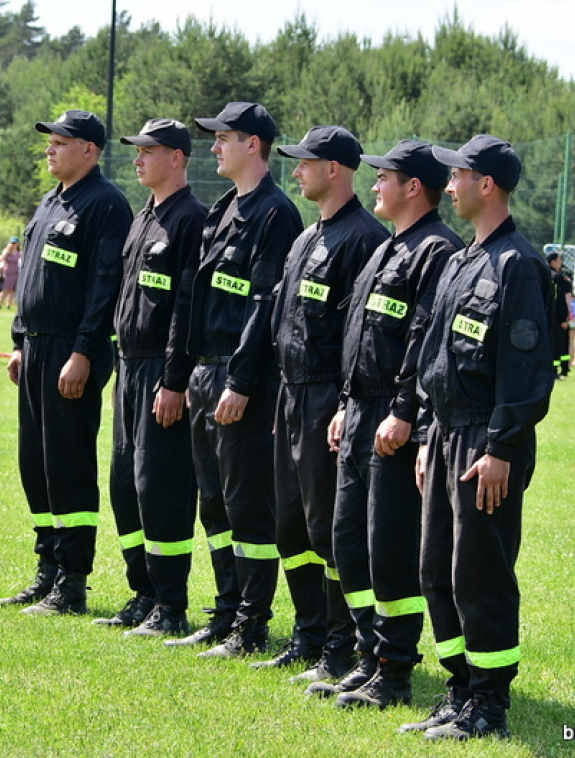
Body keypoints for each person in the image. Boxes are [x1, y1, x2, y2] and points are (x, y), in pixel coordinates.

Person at [405, 135, 554, 740]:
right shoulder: (463, 259)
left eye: (458, 175)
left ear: (485, 184)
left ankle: (489, 706)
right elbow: (434, 354)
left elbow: (525, 374)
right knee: (436, 569)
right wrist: (423, 435)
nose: (449, 184)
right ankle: (459, 689)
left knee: (480, 573)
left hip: (484, 444)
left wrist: (499, 449)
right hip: (443, 435)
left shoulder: (519, 264)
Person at [310, 141, 464, 708]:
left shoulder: (436, 251)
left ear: (413, 187)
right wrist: (349, 402)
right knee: (347, 542)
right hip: (359, 413)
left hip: (392, 419)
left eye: (385, 177)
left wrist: (403, 412)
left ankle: (394, 671)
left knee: (388, 549)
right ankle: (367, 655)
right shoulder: (387, 249)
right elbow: (363, 336)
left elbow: (423, 343)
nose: (374, 185)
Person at [164, 102, 302, 658]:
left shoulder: (275, 214)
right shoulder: (222, 209)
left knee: (247, 506)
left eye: (224, 137)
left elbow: (266, 307)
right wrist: (189, 372)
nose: (215, 146)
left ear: (253, 144)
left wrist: (240, 382)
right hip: (206, 369)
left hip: (241, 378)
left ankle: (252, 624)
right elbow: (195, 298)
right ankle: (225, 611)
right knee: (213, 503)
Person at [256, 127, 390, 677]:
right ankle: (307, 635)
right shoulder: (306, 237)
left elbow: (360, 338)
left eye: (305, 163)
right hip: (289, 395)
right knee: (289, 525)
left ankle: (342, 647)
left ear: (334, 168)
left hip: (325, 400)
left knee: (328, 529)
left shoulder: (364, 237)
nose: (296, 172)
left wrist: (341, 404)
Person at [0, 109, 132, 615]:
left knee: (68, 463)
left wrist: (82, 351)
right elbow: (33, 278)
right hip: (35, 347)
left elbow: (103, 288)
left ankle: (73, 583)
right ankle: (48, 569)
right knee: (35, 462)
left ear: (90, 150)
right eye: (50, 141)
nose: (51, 148)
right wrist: (17, 341)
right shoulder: (51, 202)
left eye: (62, 141)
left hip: (70, 351)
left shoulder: (105, 205)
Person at [97, 118, 206, 636]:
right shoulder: (143, 219)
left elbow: (186, 309)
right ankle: (142, 592)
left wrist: (174, 380)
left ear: (177, 158)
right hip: (128, 368)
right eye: (137, 150)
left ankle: (171, 604)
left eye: (149, 150)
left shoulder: (191, 221)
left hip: (161, 372)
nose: (138, 158)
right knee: (125, 485)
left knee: (160, 485)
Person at [546, 251, 573, 379]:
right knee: (561, 343)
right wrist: (568, 316)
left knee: (552, 343)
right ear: (553, 261)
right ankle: (563, 368)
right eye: (559, 260)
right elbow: (568, 300)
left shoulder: (543, 275)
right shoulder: (561, 279)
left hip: (547, 315)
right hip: (560, 316)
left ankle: (553, 369)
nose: (561, 262)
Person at [0, 236, 20, 309]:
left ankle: (9, 305)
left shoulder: (19, 253)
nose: (13, 244)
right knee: (5, 289)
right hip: (7, 272)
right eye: (12, 243)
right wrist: (6, 252)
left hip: (15, 272)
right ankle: (0, 304)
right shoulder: (6, 251)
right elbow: (1, 259)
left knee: (12, 290)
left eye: (14, 243)